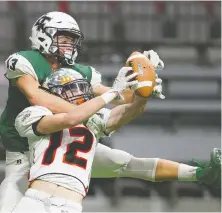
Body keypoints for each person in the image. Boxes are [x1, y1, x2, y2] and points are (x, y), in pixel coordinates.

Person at [0, 11, 165, 213]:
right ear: (43, 35)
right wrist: (87, 114)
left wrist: (143, 81)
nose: (70, 44)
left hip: (58, 147)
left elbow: (124, 98)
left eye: (72, 40)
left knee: (128, 164)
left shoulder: (80, 71)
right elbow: (37, 98)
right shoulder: (25, 60)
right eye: (64, 38)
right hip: (22, 149)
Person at [13, 69, 221, 213]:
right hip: (36, 201)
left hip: (71, 205)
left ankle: (199, 173)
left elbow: (128, 112)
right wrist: (113, 92)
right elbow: (71, 118)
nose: (80, 95)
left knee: (129, 162)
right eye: (72, 89)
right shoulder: (34, 113)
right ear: (54, 93)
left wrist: (142, 94)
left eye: (81, 89)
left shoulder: (91, 120)